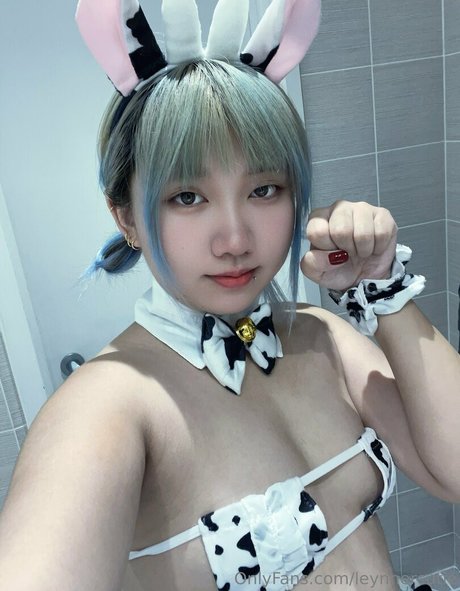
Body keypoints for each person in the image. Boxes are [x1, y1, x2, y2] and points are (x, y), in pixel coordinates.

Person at [0, 1, 459, 590]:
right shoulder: (110, 404)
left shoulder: (320, 335)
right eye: (187, 198)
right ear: (127, 217)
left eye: (264, 189)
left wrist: (384, 288)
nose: (236, 240)